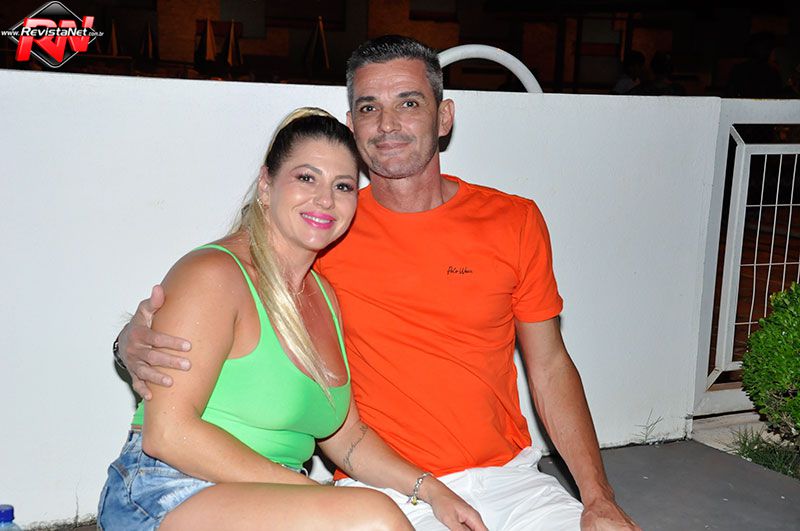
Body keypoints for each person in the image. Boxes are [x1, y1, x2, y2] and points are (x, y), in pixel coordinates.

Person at [116, 36, 640, 530]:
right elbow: (212, 299)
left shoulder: (510, 221)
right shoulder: (322, 239)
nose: (387, 124)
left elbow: (549, 365)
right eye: (369, 107)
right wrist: (129, 342)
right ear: (352, 125)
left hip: (505, 477)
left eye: (409, 103)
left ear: (444, 117)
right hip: (368, 491)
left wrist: (598, 497)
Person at [99, 107, 486, 531]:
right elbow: (169, 434)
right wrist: (314, 494)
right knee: (373, 518)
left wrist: (431, 490)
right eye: (306, 178)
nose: (325, 199)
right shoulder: (214, 274)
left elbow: (348, 438)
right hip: (167, 491)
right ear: (266, 185)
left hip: (266, 496)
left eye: (342, 186)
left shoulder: (324, 297)